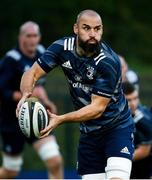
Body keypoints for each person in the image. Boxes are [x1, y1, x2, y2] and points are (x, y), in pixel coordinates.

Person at [17, 10, 134, 179]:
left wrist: (60, 119)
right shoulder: (61, 48)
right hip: (89, 134)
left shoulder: (108, 61)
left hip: (116, 128)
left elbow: (96, 109)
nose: (93, 34)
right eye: (86, 28)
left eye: (97, 29)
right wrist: (25, 95)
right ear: (76, 29)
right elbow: (32, 73)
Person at [0, 21, 63, 179]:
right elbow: (3, 92)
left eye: (35, 35)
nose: (32, 39)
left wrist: (46, 102)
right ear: (21, 38)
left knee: (55, 161)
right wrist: (24, 95)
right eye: (28, 35)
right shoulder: (11, 60)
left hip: (35, 117)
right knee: (10, 172)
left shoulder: (42, 53)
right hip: (12, 120)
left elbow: (39, 87)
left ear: (39, 37)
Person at [123, 82, 152, 179]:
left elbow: (143, 151)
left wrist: (116, 157)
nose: (133, 104)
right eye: (128, 100)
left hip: (147, 166)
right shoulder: (110, 115)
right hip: (126, 163)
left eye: (135, 98)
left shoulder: (145, 120)